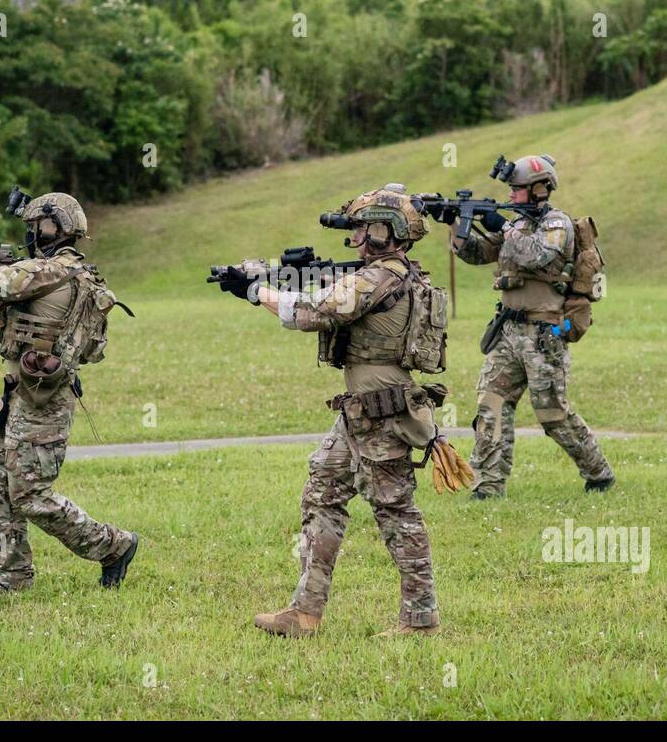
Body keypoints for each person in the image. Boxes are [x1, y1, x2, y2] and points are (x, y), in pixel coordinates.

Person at [216, 185, 449, 637]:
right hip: (360, 410)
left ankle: (421, 619)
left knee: (395, 511)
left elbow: (313, 314)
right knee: (322, 491)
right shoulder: (387, 274)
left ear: (387, 230)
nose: (356, 236)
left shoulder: (380, 278)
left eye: (363, 228)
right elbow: (327, 293)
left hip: (381, 413)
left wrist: (254, 292)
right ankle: (304, 612)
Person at [0, 192, 139, 593]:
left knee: (31, 496)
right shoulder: (52, 269)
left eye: (36, 227)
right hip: (20, 393)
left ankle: (113, 545)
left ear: (54, 229)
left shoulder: (50, 272)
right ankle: (12, 578)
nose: (31, 234)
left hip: (44, 402)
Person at [453, 155, 615, 497]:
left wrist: (503, 225)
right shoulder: (518, 225)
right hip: (507, 332)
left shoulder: (557, 225)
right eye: (510, 190)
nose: (512, 196)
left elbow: (536, 256)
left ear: (540, 189)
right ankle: (488, 485)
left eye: (518, 190)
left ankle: (598, 472)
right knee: (491, 404)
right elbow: (478, 253)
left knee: (552, 414)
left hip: (545, 334)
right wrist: (457, 226)